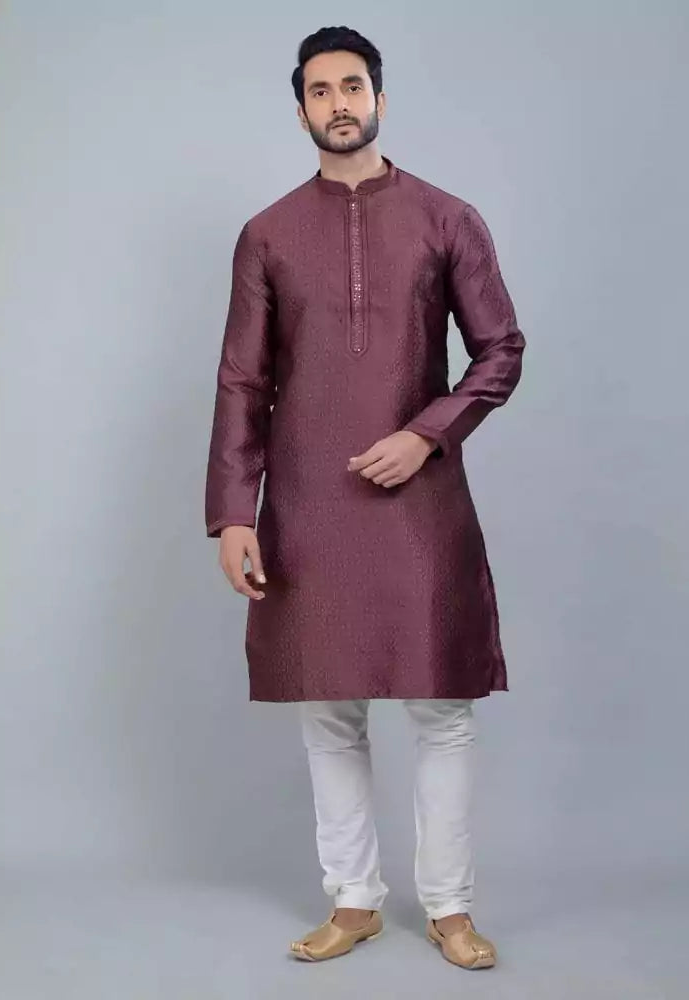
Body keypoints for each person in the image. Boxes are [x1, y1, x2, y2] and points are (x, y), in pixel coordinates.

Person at [204, 25, 526, 970]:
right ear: (300, 109)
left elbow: (499, 350)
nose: (338, 103)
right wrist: (233, 511)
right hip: (308, 499)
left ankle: (450, 908)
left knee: (442, 706)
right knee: (327, 707)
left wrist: (425, 433)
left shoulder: (446, 219)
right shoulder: (267, 233)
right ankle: (353, 901)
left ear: (379, 99)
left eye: (352, 86)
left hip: (419, 496)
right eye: (320, 91)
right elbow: (241, 380)